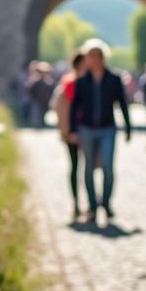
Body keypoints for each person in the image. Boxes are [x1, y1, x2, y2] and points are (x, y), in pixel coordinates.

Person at [69, 39, 133, 222]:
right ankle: (92, 206)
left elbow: (122, 103)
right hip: (87, 128)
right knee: (88, 168)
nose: (95, 60)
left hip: (108, 128)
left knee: (108, 167)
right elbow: (75, 106)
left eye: (98, 56)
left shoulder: (114, 79)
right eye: (91, 56)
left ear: (103, 58)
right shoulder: (82, 81)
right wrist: (73, 130)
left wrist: (127, 126)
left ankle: (106, 203)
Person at [54, 53, 88, 220]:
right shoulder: (70, 83)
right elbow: (61, 108)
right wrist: (67, 131)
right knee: (76, 167)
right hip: (74, 131)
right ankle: (76, 203)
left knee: (87, 169)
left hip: (87, 130)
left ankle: (89, 204)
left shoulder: (88, 81)